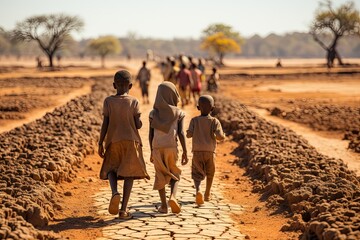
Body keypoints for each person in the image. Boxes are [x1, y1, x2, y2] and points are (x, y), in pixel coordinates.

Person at [98, 70, 150, 219]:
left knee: (110, 169)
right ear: (131, 85)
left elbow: (105, 123)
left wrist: (100, 142)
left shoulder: (108, 101)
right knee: (130, 173)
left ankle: (115, 192)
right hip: (131, 141)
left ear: (114, 85)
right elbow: (138, 125)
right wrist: (139, 119)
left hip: (113, 141)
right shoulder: (134, 102)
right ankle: (123, 210)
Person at [149, 82, 188, 214]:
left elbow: (151, 134)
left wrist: (151, 151)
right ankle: (173, 197)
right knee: (175, 173)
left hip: (157, 147)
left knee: (160, 175)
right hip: (172, 146)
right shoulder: (179, 113)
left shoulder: (153, 113)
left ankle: (164, 206)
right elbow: (181, 133)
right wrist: (185, 152)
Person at [186, 95, 225, 205]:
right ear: (212, 109)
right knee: (210, 173)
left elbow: (189, 135)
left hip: (197, 151)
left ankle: (198, 190)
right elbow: (219, 136)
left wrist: (189, 132)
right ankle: (207, 194)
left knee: (196, 173)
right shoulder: (214, 121)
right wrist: (223, 136)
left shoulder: (194, 121)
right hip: (210, 152)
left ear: (198, 108)